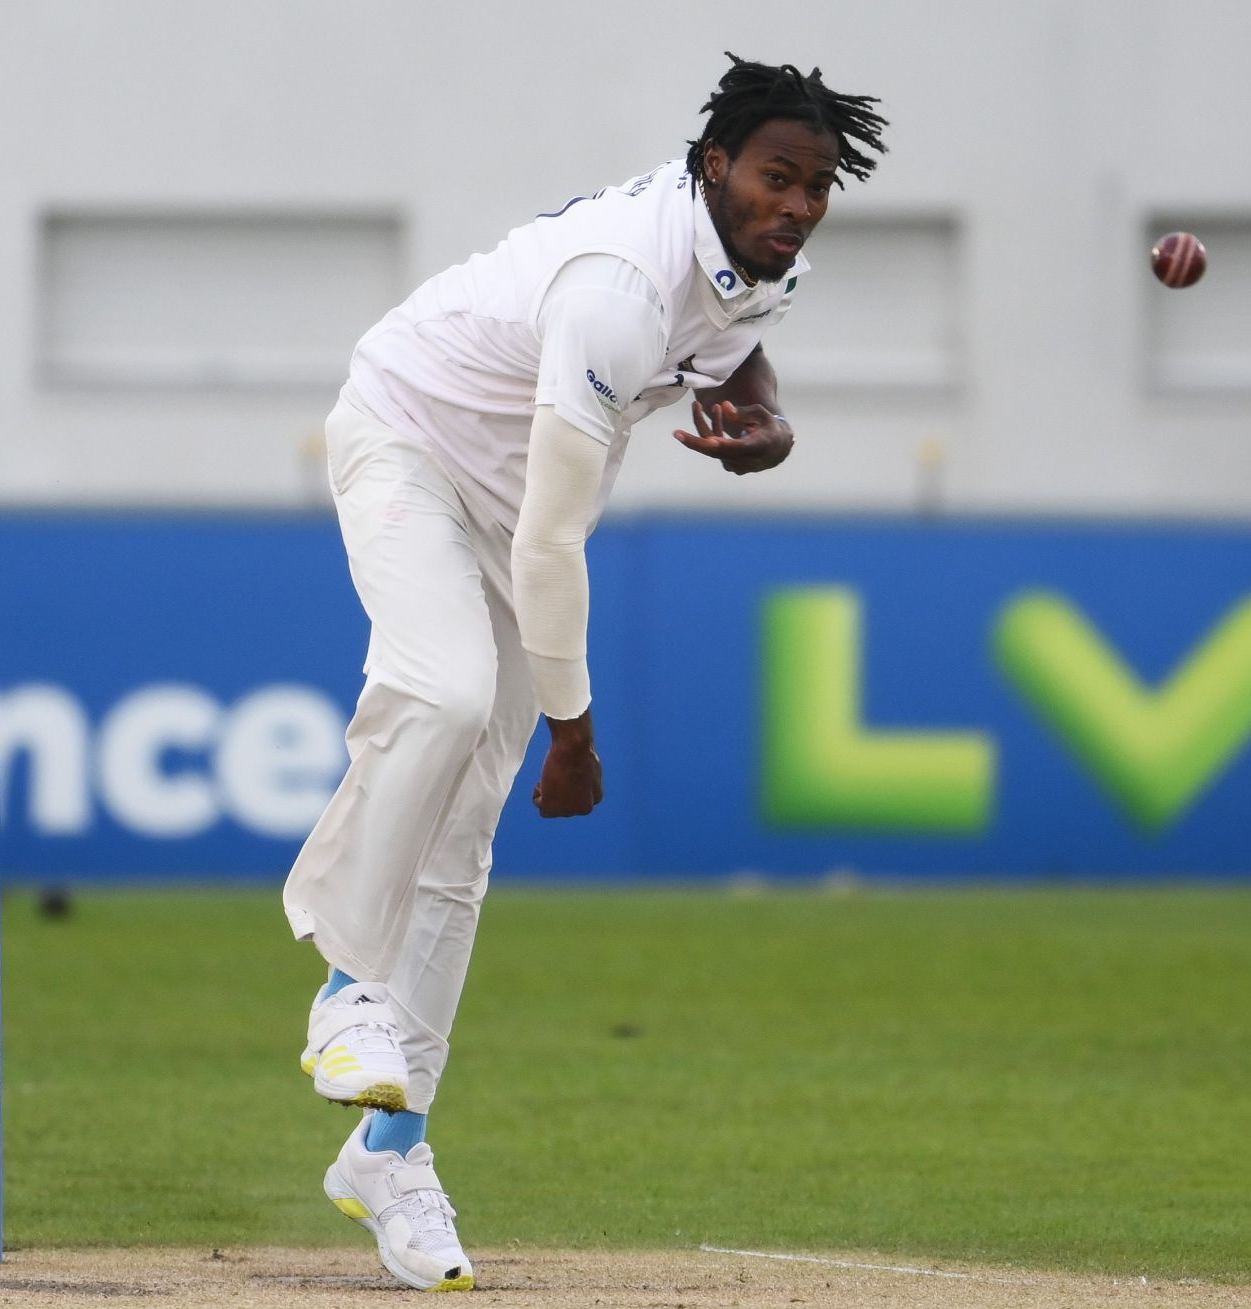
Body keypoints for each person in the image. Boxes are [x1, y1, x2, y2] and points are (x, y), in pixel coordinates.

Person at [281, 54, 888, 1291]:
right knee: (443, 694)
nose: (800, 205)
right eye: (779, 178)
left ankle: (392, 1152)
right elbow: (555, 542)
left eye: (819, 186)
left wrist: (765, 418)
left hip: (511, 515)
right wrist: (575, 729)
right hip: (410, 444)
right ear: (713, 165)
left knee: (463, 842)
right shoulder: (616, 288)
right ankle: (347, 988)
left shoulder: (760, 256)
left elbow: (729, 347)